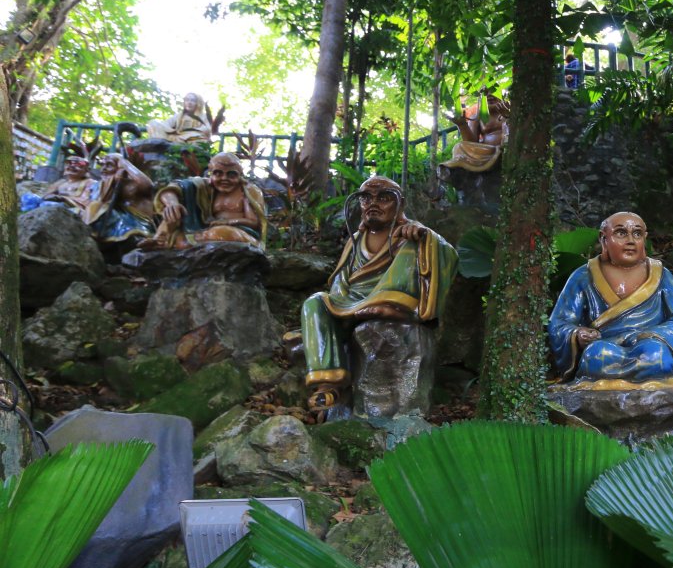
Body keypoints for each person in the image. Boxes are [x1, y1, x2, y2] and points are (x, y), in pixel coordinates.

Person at [300, 176, 459, 410]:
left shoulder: (410, 232)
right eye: (366, 198)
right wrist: (340, 299)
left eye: (384, 198)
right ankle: (328, 383)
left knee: (414, 246)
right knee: (314, 302)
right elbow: (340, 279)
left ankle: (394, 306)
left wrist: (425, 236)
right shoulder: (356, 240)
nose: (373, 203)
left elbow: (449, 254)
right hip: (353, 301)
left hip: (391, 299)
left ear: (400, 204)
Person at [548, 211, 673, 388]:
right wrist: (577, 334)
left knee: (657, 356)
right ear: (603, 238)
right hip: (606, 346)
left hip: (648, 344)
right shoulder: (583, 276)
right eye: (621, 233)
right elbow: (559, 322)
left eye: (636, 234)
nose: (630, 240)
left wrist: (650, 334)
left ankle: (640, 382)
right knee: (595, 356)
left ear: (644, 238)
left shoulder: (660, 275)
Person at [145, 151, 266, 249]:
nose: (225, 178)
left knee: (220, 233)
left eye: (231, 175)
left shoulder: (246, 191)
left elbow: (254, 222)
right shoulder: (203, 186)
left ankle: (181, 243)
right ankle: (161, 239)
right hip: (204, 229)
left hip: (237, 232)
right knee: (175, 212)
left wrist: (228, 222)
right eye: (218, 174)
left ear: (240, 175)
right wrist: (172, 204)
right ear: (210, 173)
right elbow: (173, 189)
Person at [87, 153, 157, 242]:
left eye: (109, 165)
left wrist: (124, 163)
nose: (103, 169)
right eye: (103, 165)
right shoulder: (99, 186)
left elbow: (148, 186)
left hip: (137, 225)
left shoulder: (133, 185)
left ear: (120, 167)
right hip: (109, 223)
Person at [439, 91, 510, 174]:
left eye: (494, 91)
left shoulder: (511, 111)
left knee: (507, 131)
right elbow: (472, 143)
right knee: (459, 146)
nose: (489, 95)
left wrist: (508, 117)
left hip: (507, 146)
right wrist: (462, 125)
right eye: (485, 94)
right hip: (488, 151)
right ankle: (459, 163)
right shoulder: (477, 118)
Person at [146, 92, 213, 143]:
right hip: (177, 138)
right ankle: (160, 147)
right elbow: (165, 124)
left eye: (192, 100)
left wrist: (189, 132)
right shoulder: (179, 116)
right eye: (187, 100)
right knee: (153, 123)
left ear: (198, 103)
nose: (189, 103)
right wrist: (172, 131)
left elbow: (207, 129)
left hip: (192, 138)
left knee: (196, 137)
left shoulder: (203, 116)